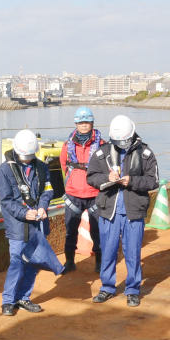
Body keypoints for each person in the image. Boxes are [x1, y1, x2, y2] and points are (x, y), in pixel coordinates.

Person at [86, 115, 159, 307]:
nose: (121, 144)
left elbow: (153, 180)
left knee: (133, 252)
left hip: (133, 211)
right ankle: (107, 287)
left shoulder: (146, 154)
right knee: (108, 251)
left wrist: (132, 181)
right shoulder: (103, 153)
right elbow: (91, 176)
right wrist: (106, 177)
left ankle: (133, 289)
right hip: (108, 210)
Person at [0, 129, 52, 316]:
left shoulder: (41, 167)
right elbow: (6, 201)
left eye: (30, 156)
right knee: (17, 261)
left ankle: (24, 296)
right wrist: (23, 213)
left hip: (37, 223)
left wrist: (43, 206)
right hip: (18, 226)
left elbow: (48, 190)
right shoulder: (4, 171)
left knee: (33, 262)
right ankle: (8, 300)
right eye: (24, 156)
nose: (27, 159)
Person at [60, 106, 103, 273]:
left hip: (95, 194)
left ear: (92, 123)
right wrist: (73, 182)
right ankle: (69, 261)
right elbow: (63, 164)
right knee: (70, 230)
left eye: (87, 122)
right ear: (76, 124)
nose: (84, 125)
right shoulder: (67, 145)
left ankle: (99, 262)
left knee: (98, 231)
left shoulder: (102, 144)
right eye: (81, 122)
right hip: (73, 195)